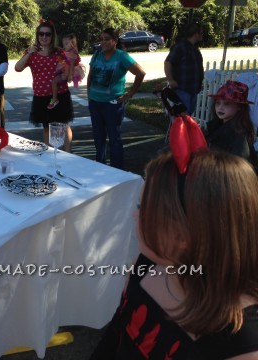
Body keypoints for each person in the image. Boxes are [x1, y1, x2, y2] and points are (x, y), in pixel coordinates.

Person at [90, 119, 258, 358]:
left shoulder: (241, 342)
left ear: (185, 232)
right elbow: (112, 343)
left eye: (144, 208)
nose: (134, 215)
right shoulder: (145, 268)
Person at [87, 28, 145, 169]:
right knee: (99, 139)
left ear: (115, 41)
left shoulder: (121, 56)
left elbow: (140, 73)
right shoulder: (97, 55)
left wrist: (130, 94)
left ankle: (117, 171)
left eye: (107, 39)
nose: (103, 42)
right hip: (95, 103)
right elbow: (90, 76)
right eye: (102, 39)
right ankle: (100, 167)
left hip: (113, 104)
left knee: (114, 139)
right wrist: (89, 94)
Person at [15, 20, 74, 152]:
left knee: (63, 125)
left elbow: (70, 65)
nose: (44, 37)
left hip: (60, 95)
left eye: (48, 34)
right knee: (47, 127)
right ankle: (50, 154)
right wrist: (29, 52)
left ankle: (68, 153)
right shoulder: (31, 53)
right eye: (41, 34)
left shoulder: (58, 52)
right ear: (37, 35)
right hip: (41, 96)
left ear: (52, 36)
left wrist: (68, 74)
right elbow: (18, 68)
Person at [206, 80, 257, 168]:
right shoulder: (216, 126)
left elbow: (240, 162)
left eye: (227, 104)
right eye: (218, 103)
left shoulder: (238, 132)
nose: (220, 108)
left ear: (239, 107)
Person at [164, 23, 204, 116]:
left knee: (187, 117)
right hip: (182, 88)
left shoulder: (194, 48)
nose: (202, 35)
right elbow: (168, 62)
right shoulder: (180, 47)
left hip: (193, 89)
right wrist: (170, 80)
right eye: (201, 33)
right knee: (181, 118)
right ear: (196, 34)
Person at [48, 33, 86, 110]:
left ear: (72, 43)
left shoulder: (72, 53)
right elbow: (63, 60)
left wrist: (69, 75)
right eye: (63, 44)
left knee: (54, 82)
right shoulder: (68, 51)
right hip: (65, 70)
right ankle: (56, 97)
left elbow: (71, 65)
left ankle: (54, 99)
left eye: (66, 43)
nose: (64, 46)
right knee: (55, 82)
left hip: (67, 72)